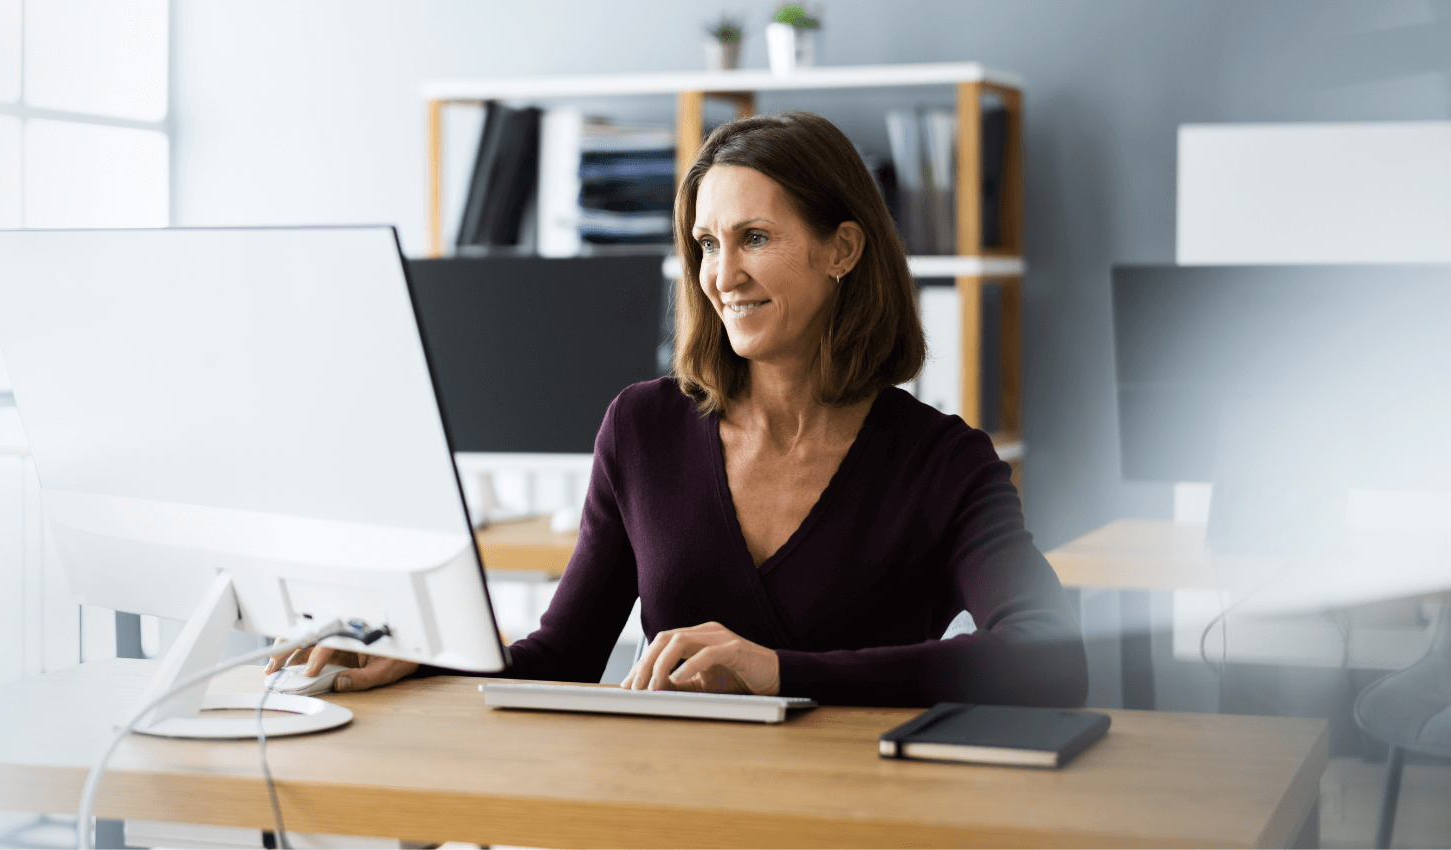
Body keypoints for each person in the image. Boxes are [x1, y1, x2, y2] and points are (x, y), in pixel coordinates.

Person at [269, 112, 1088, 707]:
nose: (722, 273)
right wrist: (425, 659)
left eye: (755, 237)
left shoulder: (943, 462)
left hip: (858, 816)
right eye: (705, 243)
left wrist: (778, 670)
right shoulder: (643, 428)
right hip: (670, 807)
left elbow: (1051, 659)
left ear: (842, 249)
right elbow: (564, 653)